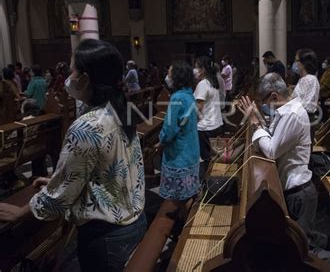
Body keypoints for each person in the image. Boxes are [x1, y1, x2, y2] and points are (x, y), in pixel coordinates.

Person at [0, 39, 147, 271]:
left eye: (72, 70)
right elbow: (117, 172)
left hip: (105, 238)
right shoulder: (123, 111)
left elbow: (58, 199)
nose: (69, 77)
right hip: (134, 225)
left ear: (86, 79)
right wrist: (58, 180)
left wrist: (21, 213)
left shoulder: (87, 127)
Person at [237, 73, 330, 270]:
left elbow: (271, 150)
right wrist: (259, 121)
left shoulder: (293, 114)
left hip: (300, 192)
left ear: (274, 96)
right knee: (307, 238)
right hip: (297, 190)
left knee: (302, 250)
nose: (262, 105)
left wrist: (254, 123)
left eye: (263, 101)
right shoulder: (285, 112)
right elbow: (273, 138)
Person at [157, 60, 201, 203]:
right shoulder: (189, 95)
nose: (167, 77)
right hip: (191, 148)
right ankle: (183, 213)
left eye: (169, 74)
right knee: (188, 191)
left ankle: (182, 218)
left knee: (179, 194)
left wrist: (161, 140)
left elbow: (169, 129)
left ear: (177, 76)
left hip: (180, 152)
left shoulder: (177, 97)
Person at [194, 56, 224, 178]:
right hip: (216, 124)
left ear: (203, 69)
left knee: (207, 159)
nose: (195, 70)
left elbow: (198, 108)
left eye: (196, 67)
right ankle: (213, 181)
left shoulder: (203, 84)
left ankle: (208, 185)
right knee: (213, 157)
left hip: (205, 127)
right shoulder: (213, 82)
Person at [291, 49, 320, 145]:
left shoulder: (310, 79)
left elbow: (307, 105)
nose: (295, 63)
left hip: (304, 120)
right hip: (300, 118)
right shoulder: (303, 79)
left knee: (303, 153)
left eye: (296, 60)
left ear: (304, 63)